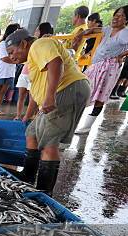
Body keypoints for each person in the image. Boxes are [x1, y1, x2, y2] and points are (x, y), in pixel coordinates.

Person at [6, 29, 90, 195]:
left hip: (66, 90)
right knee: (32, 132)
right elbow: (37, 87)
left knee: (49, 142)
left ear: (23, 43)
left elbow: (56, 62)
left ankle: (44, 192)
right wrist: (30, 113)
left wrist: (50, 96)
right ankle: (28, 176)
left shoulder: (39, 44)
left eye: (11, 52)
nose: (11, 57)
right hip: (59, 93)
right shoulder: (32, 58)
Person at [74, 6, 128, 134]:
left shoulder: (127, 33)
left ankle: (86, 127)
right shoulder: (108, 29)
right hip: (95, 65)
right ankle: (74, 121)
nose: (116, 17)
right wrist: (82, 33)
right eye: (116, 14)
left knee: (101, 95)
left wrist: (122, 55)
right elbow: (96, 29)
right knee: (83, 90)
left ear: (127, 20)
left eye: (121, 15)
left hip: (110, 68)